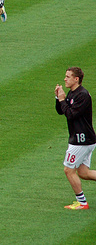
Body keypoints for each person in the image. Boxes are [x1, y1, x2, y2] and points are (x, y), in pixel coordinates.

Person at [55, 67, 96, 210]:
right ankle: (82, 202)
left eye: (68, 76)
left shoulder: (82, 95)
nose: (65, 79)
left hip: (81, 140)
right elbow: (62, 111)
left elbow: (71, 114)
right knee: (84, 173)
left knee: (68, 170)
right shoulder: (73, 93)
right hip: (83, 139)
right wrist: (58, 98)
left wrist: (62, 100)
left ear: (76, 79)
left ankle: (82, 203)